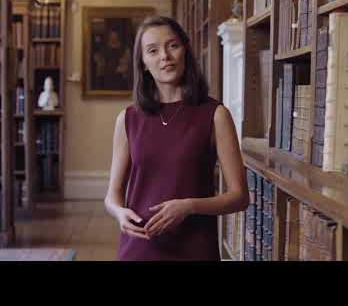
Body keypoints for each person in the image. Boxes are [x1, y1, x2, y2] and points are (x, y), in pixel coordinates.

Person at [104, 15, 249, 261]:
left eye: (172, 46)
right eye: (153, 50)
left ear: (185, 50)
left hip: (194, 250)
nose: (165, 56)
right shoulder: (127, 119)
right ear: (143, 63)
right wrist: (119, 213)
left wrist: (189, 206)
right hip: (138, 248)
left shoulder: (216, 115)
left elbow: (240, 197)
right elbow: (112, 194)